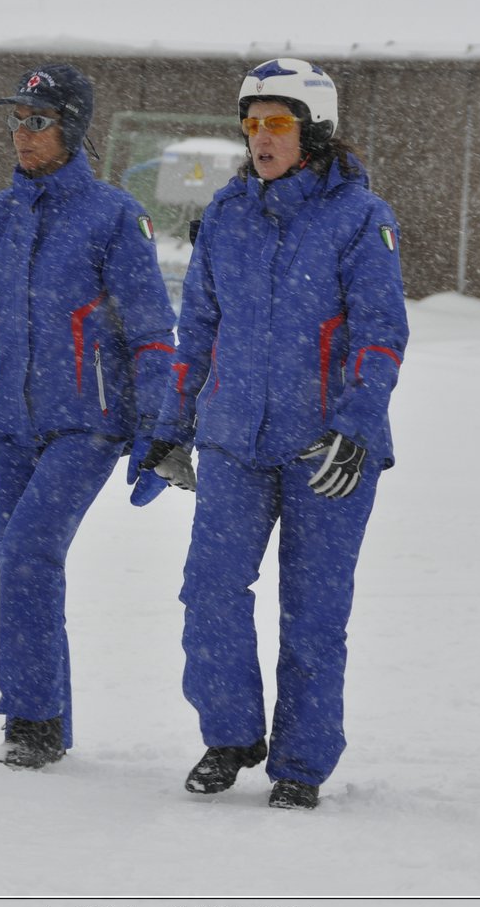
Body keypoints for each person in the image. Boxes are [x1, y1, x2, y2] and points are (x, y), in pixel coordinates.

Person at [0, 63, 176, 769]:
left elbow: (151, 331)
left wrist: (159, 431)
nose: (22, 133)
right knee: (21, 567)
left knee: (27, 554)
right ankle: (47, 711)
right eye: (16, 120)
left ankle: (33, 721)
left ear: (71, 129)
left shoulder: (113, 217)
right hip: (9, 428)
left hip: (88, 425)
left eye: (37, 121)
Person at [137, 59, 408, 810]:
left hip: (329, 451)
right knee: (210, 592)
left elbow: (381, 335)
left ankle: (300, 761)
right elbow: (197, 331)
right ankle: (229, 734)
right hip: (234, 441)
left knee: (313, 615)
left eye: (278, 123)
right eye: (252, 124)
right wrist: (172, 429)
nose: (261, 137)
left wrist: (356, 423)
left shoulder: (359, 217)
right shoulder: (226, 215)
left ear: (313, 131)